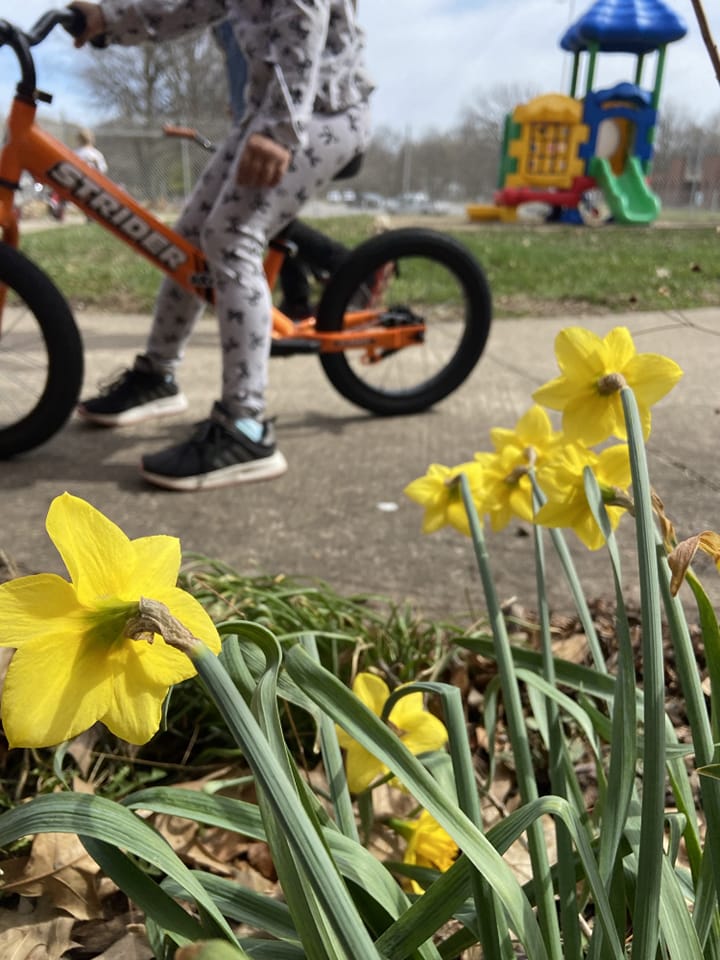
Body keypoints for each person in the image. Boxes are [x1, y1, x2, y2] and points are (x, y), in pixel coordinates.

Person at [72, 0, 373, 491]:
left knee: (232, 236)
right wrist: (108, 19)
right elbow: (181, 8)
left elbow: (303, 22)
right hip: (269, 111)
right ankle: (157, 375)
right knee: (186, 237)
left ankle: (245, 427)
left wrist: (278, 130)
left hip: (325, 111)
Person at [211, 18, 350, 320]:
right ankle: (299, 295)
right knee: (265, 214)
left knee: (249, 216)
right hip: (267, 118)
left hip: (301, 123)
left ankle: (346, 265)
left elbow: (299, 41)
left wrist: (278, 123)